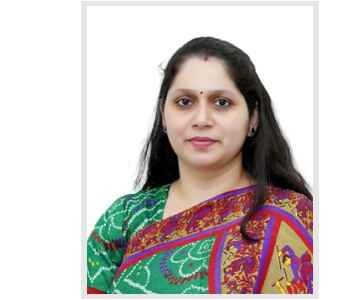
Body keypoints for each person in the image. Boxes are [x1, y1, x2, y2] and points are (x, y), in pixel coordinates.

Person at [87, 36, 313, 294]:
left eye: (222, 103)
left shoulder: (293, 218)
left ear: (253, 117)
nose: (202, 119)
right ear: (163, 115)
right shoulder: (123, 219)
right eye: (185, 102)